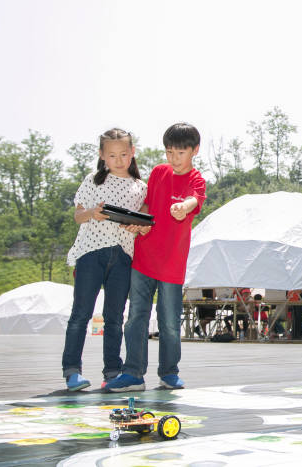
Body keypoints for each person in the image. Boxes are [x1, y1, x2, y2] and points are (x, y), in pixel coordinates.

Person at [105, 123, 206, 392]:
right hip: (144, 257)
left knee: (169, 321)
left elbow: (194, 200)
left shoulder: (196, 179)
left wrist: (182, 207)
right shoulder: (160, 172)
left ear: (195, 151)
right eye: (169, 152)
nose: (173, 158)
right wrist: (137, 220)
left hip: (172, 264)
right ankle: (134, 373)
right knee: (136, 316)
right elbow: (147, 204)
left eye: (180, 153)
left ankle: (169, 372)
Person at [61, 128, 148, 391]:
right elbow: (78, 216)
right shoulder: (93, 181)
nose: (119, 160)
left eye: (124, 154)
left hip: (123, 257)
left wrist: (138, 224)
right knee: (81, 314)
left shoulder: (141, 188)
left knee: (114, 317)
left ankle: (112, 371)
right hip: (91, 253)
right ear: (102, 156)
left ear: (132, 153)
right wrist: (92, 213)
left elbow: (144, 220)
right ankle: (72, 370)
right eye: (112, 155)